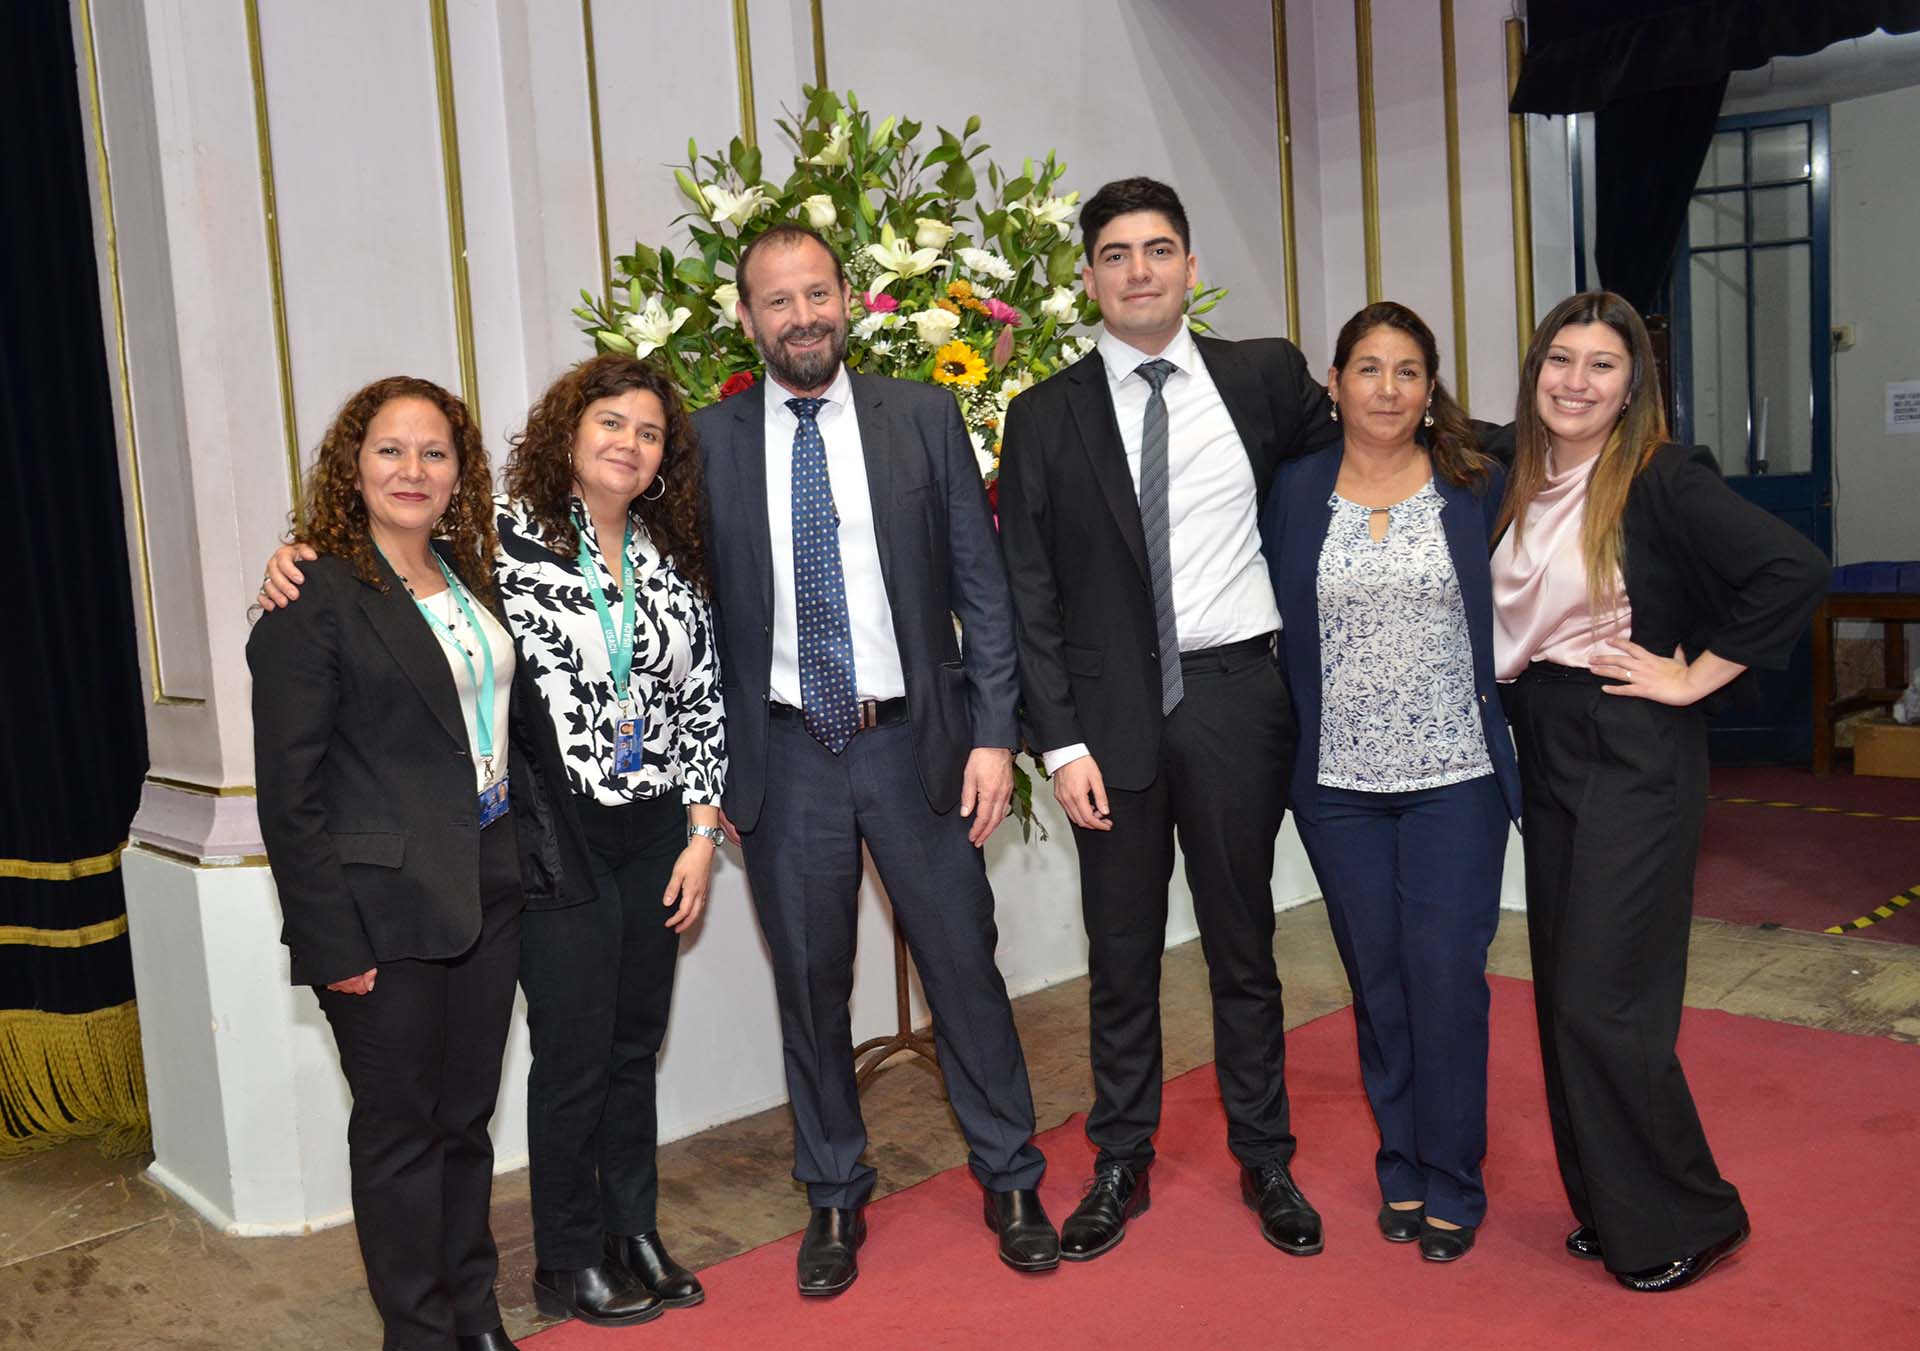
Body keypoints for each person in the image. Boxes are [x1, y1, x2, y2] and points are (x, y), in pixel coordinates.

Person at [261, 354, 726, 1329]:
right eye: (610, 423)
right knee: (505, 1082)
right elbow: (297, 771)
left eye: (648, 432)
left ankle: (582, 1255)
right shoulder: (491, 545)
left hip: (572, 851)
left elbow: (699, 697)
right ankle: (517, 1281)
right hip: (515, 852)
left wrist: (699, 825)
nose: (413, 470)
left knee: (569, 1072)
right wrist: (282, 562)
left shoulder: (613, 556)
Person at [695, 221, 1056, 1294]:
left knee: (963, 966)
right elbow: (613, 533)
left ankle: (1012, 1175)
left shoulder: (923, 416)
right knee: (811, 984)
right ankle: (833, 1192)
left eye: (817, 293)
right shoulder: (707, 442)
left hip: (917, 742)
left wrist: (994, 735)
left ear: (848, 298)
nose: (802, 316)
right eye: (778, 300)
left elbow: (983, 587)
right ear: (748, 318)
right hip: (784, 752)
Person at [996, 177, 1338, 1261]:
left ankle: (1266, 1155)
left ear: (1191, 266)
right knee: (1122, 953)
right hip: (1106, 727)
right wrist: (1060, 743)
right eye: (1115, 254)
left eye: (1157, 250)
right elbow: (1029, 593)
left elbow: (1375, 449)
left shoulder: (1263, 376)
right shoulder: (1043, 414)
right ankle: (1120, 1159)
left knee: (1245, 944)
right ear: (1088, 277)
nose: (1137, 270)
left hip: (1237, 698)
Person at [1492, 290, 1829, 1292]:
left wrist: (1693, 677)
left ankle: (1693, 1215)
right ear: (1536, 370)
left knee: (1610, 998)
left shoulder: (1661, 475)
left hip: (1631, 742)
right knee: (1566, 992)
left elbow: (1793, 568)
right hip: (1545, 736)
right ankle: (1613, 1204)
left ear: (1633, 383)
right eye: (1561, 359)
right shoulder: (1516, 474)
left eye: (1602, 364)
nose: (1576, 381)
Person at [250, 376, 527, 1351]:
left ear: (460, 471)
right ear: (353, 466)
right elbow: (289, 795)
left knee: (466, 1118)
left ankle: (474, 1310)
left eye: (434, 452)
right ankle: (417, 1331)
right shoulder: (313, 592)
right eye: (391, 450)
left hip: (488, 883)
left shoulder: (468, 572)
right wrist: (332, 940)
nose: (413, 469)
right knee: (401, 1129)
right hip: (379, 909)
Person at [1260, 302, 1520, 1264]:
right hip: (1337, 784)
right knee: (1378, 981)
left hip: (1457, 775)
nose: (1387, 388)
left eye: (1408, 371)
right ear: (1335, 384)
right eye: (1368, 369)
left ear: (1431, 388)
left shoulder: (1476, 483)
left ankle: (1455, 1175)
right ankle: (1401, 1159)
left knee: (1445, 975)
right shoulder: (1294, 489)